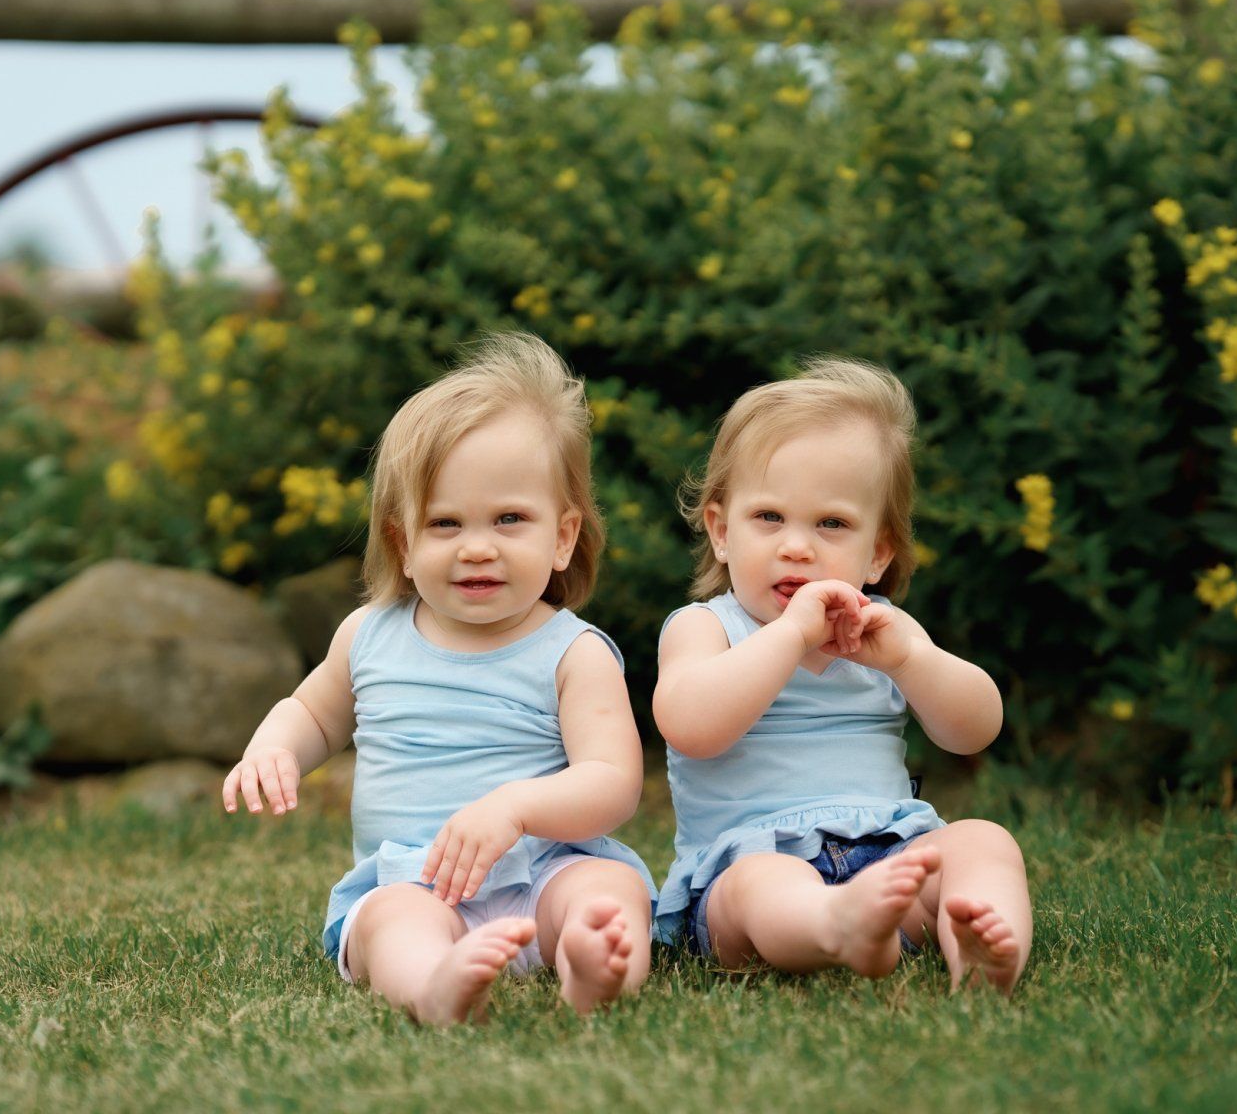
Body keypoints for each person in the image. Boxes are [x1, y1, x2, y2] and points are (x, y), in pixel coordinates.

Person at [223, 332, 655, 1024]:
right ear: (403, 541)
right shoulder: (371, 636)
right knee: (390, 923)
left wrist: (515, 808)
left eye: (510, 519)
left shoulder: (572, 653)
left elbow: (612, 782)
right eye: (445, 523)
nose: (477, 546)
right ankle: (435, 984)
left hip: (546, 869)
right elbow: (314, 713)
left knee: (606, 890)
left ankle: (591, 962)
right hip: (414, 880)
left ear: (563, 536)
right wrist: (274, 747)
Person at [652, 357, 1030, 992]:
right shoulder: (706, 628)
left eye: (831, 524)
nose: (796, 546)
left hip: (890, 858)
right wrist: (791, 636)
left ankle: (985, 935)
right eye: (768, 518)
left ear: (877, 552)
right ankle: (835, 925)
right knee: (762, 887)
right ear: (721, 532)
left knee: (982, 841)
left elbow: (975, 730)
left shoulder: (885, 632)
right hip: (746, 867)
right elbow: (692, 727)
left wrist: (914, 661)